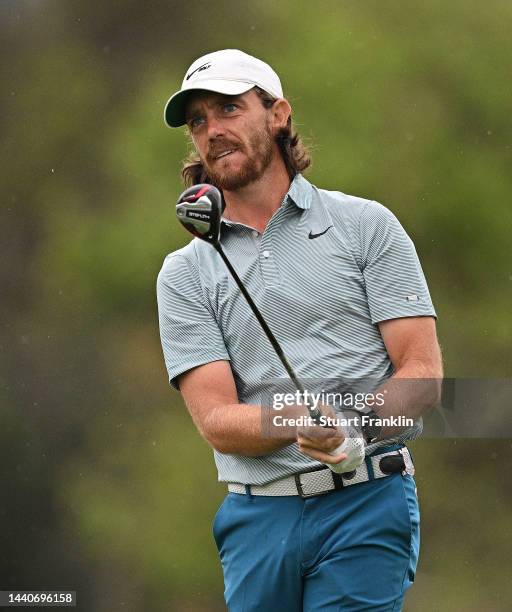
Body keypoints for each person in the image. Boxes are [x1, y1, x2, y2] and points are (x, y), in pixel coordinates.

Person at [157, 49, 443, 611]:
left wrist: (353, 428)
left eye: (229, 109)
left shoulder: (365, 227)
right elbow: (215, 419)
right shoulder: (184, 271)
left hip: (366, 500)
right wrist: (298, 420)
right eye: (198, 121)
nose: (212, 130)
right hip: (257, 517)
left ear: (278, 114)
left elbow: (422, 373)